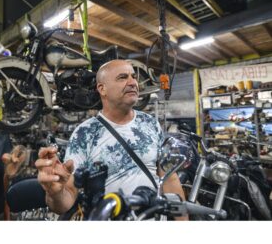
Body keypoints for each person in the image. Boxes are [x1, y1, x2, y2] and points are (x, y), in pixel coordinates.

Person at [36, 59, 188, 220]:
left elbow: (169, 178)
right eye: (122, 77)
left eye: (133, 77)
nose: (133, 83)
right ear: (102, 89)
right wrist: (55, 192)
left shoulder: (150, 123)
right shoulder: (84, 134)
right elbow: (66, 200)